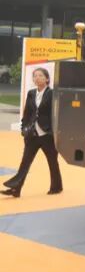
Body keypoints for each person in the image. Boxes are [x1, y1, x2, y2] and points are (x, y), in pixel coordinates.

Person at [2, 67, 63, 198]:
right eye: (35, 76)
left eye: (40, 76)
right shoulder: (31, 93)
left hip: (47, 135)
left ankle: (56, 187)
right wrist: (24, 129)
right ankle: (15, 189)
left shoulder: (52, 94)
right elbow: (27, 113)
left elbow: (56, 114)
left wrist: (53, 131)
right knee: (25, 162)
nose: (37, 78)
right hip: (32, 135)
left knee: (52, 162)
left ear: (47, 79)